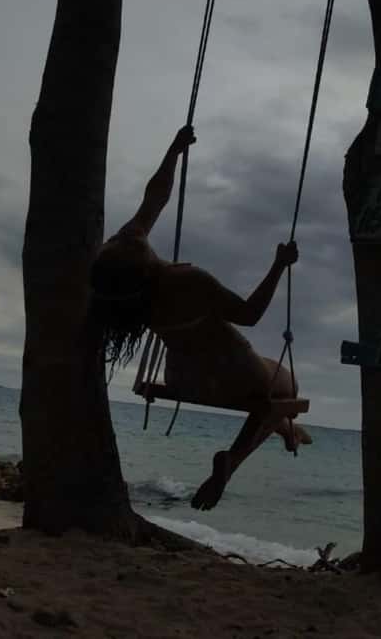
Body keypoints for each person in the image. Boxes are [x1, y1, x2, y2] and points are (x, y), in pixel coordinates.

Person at [89, 125, 311, 511]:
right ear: (142, 265)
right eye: (137, 242)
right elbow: (250, 315)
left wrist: (173, 151)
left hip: (184, 377)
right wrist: (279, 265)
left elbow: (154, 197)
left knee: (276, 411)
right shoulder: (187, 281)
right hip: (237, 371)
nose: (138, 235)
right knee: (286, 388)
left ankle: (288, 432)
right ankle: (232, 460)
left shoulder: (122, 274)